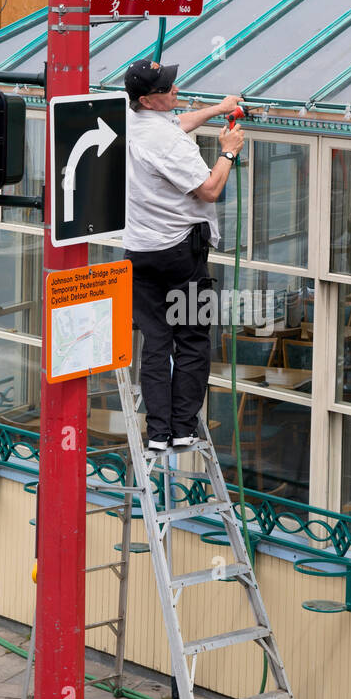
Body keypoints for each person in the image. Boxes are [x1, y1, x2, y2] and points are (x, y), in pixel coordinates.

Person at [122, 59, 245, 452]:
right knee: (192, 337)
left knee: (156, 341)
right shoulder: (170, 144)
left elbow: (179, 122)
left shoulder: (130, 119)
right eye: (168, 88)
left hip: (140, 252)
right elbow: (208, 191)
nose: (176, 89)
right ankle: (183, 428)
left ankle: (157, 432)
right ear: (148, 99)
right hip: (181, 254)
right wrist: (227, 152)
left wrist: (218, 109)